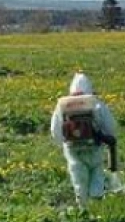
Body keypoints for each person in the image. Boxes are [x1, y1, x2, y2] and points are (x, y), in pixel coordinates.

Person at [50, 71, 119, 206]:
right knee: (97, 174)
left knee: (79, 181)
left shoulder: (63, 106)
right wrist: (107, 137)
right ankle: (97, 204)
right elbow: (110, 126)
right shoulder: (97, 104)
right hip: (94, 148)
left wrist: (63, 143)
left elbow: (55, 130)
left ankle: (83, 210)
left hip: (73, 151)